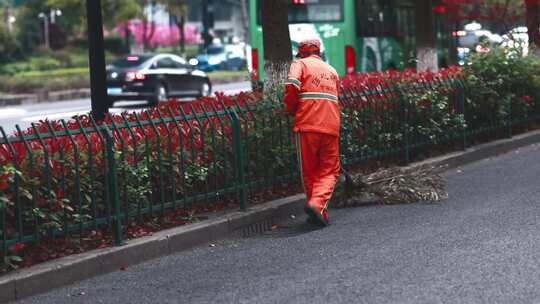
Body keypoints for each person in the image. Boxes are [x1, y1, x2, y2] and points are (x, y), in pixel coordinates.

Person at [283, 39, 341, 227]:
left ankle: (315, 205)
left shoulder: (299, 64)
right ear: (319, 52)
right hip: (331, 126)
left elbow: (292, 84)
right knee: (329, 170)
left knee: (310, 171)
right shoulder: (331, 70)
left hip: (307, 125)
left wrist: (290, 108)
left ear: (301, 53)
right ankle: (318, 209)